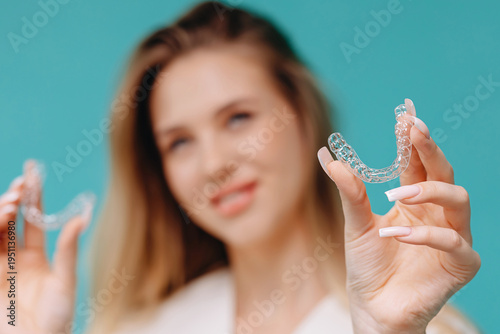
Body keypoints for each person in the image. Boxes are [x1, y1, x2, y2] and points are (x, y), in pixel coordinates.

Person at [0, 2, 481, 333]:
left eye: (238, 118)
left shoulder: (420, 321)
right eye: (179, 142)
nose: (214, 164)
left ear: (302, 115)